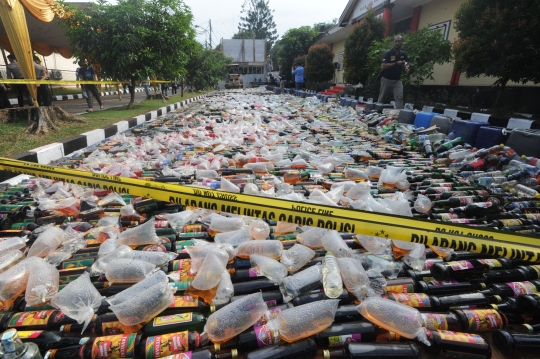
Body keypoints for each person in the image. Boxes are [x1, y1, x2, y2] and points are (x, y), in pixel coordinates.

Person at [377, 35, 410, 109]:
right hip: (387, 79)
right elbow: (383, 66)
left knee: (399, 97)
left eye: (399, 41)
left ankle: (399, 115)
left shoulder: (403, 54)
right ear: (393, 42)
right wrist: (396, 63)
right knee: (382, 98)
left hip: (397, 80)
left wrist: (406, 68)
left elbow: (406, 63)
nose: (397, 43)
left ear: (402, 42)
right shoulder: (389, 53)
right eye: (396, 41)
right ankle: (377, 113)